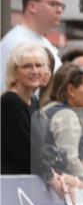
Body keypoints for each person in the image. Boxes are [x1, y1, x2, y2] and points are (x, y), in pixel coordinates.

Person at [38, 63, 83, 188]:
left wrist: (81, 162)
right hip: (56, 190)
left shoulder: (48, 108)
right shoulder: (67, 115)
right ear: (71, 90)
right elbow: (69, 160)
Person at [0, 0, 64, 85]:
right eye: (53, 4)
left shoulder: (42, 41)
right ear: (32, 6)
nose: (60, 10)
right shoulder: (15, 43)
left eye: (61, 6)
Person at [2, 44, 50, 175]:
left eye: (39, 65)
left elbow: (45, 146)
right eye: (27, 66)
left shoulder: (33, 101)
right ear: (15, 71)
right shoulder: (9, 102)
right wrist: (53, 176)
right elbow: (27, 152)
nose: (34, 71)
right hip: (12, 186)